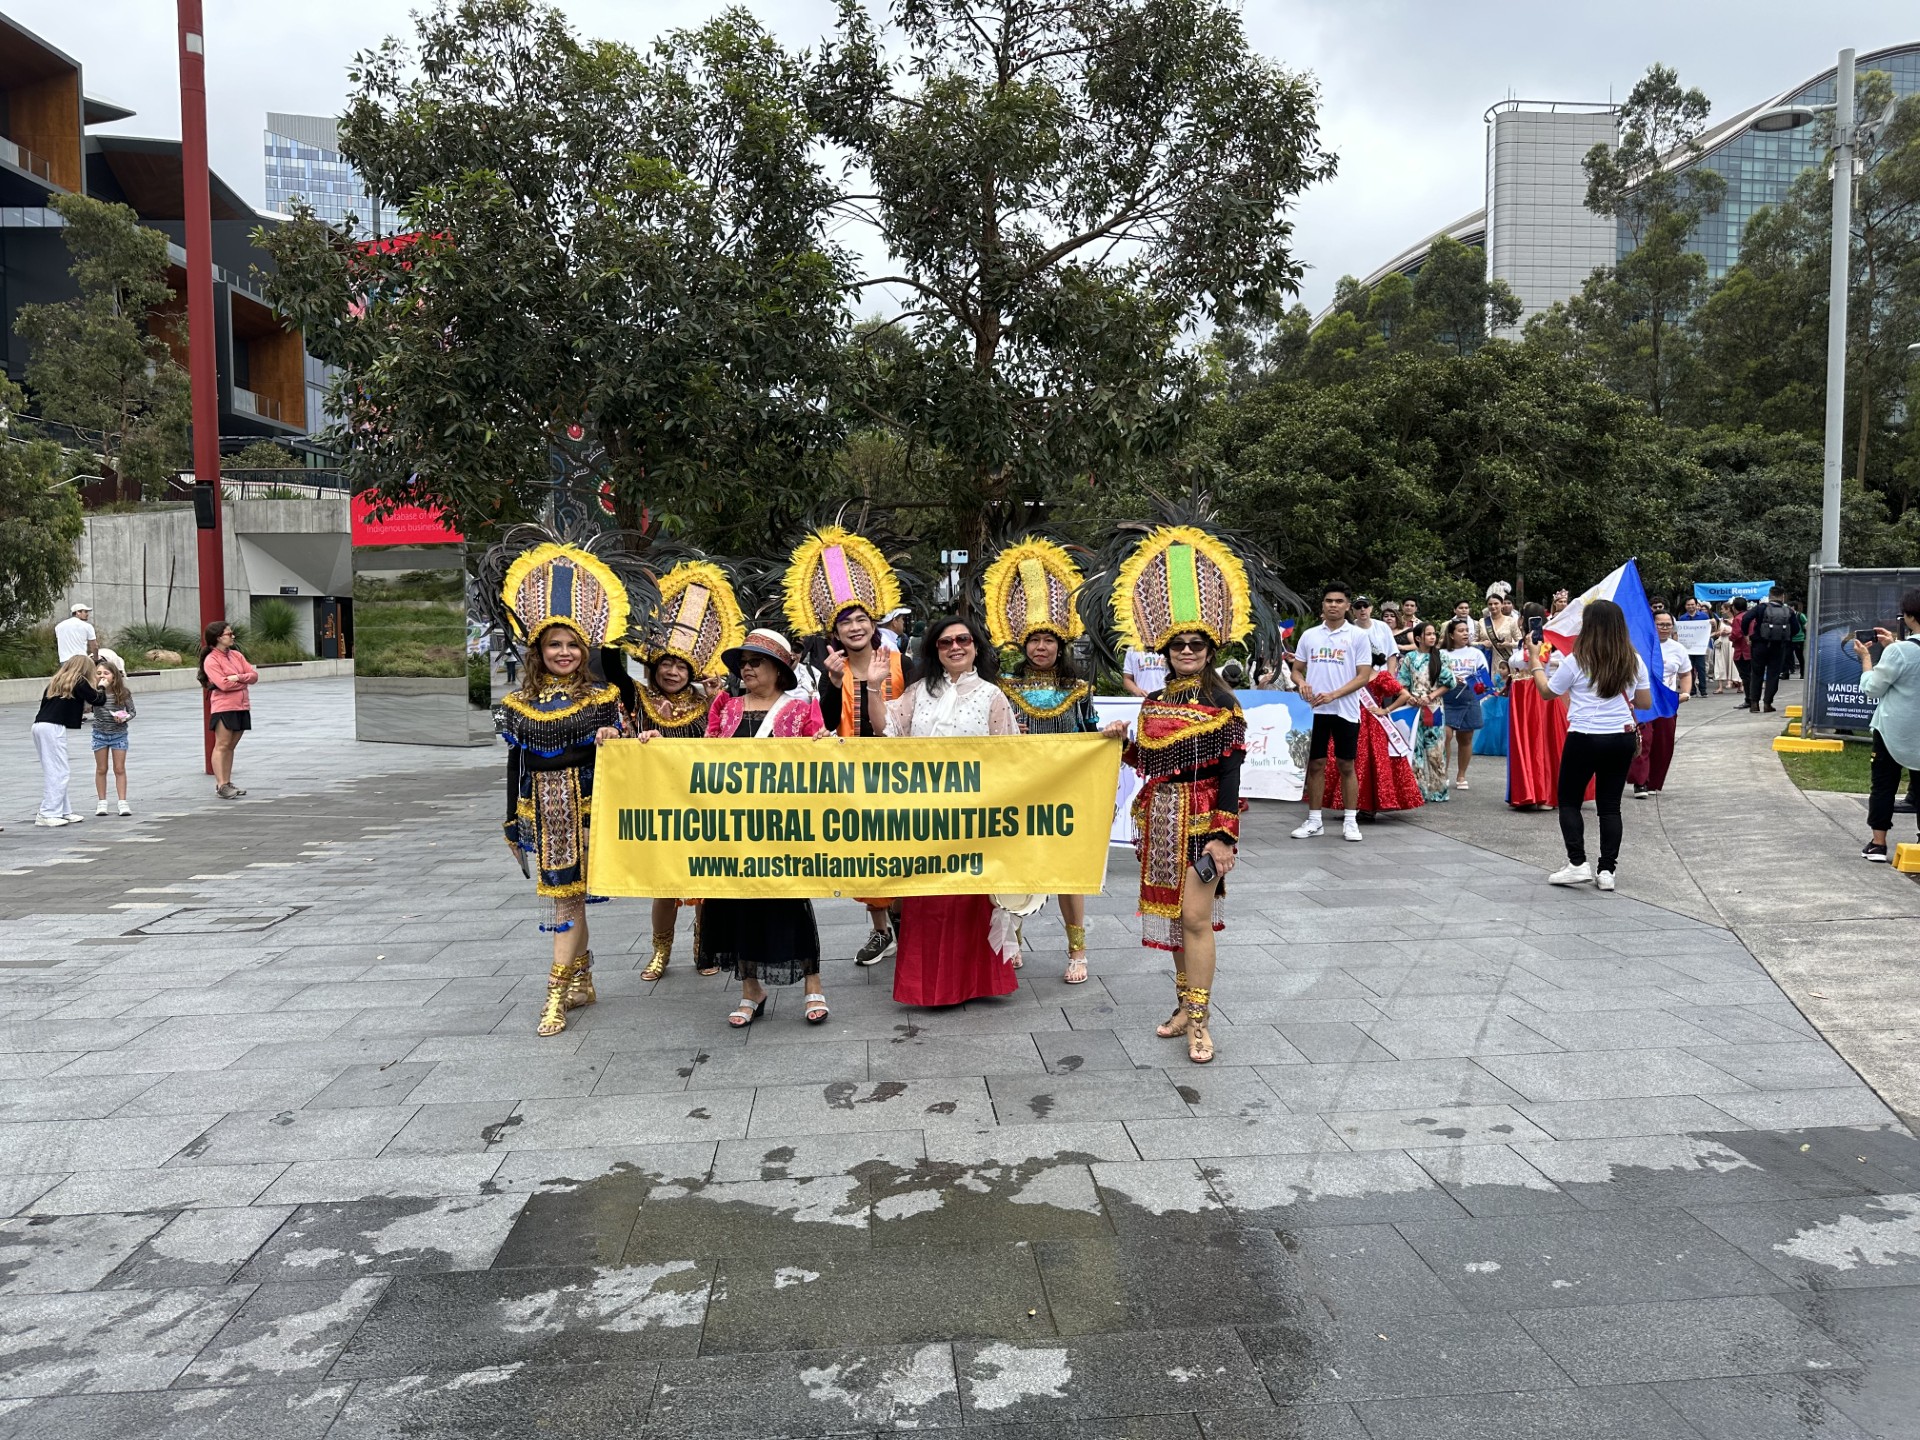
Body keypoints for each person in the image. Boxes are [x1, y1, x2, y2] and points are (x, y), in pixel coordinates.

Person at [1112, 524, 1252, 1066]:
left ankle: (1200, 1021)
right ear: (1165, 651)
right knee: (1173, 921)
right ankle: (1180, 1005)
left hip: (1201, 821)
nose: (1187, 650)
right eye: (1178, 644)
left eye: (1196, 644)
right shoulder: (1151, 705)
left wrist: (1223, 837)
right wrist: (1120, 747)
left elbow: (1232, 773)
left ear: (1210, 648)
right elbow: (1150, 765)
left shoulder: (1224, 703)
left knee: (1194, 919)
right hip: (1161, 820)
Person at [490, 540, 634, 1037]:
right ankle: (582, 979)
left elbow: (631, 756)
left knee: (568, 901)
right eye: (555, 645)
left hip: (590, 809)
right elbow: (517, 762)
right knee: (567, 899)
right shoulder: (515, 703)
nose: (565, 653)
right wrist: (511, 820)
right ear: (539, 651)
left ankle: (555, 994)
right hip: (546, 814)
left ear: (586, 649)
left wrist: (615, 738)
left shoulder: (604, 697)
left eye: (573, 645)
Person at [984, 537, 1130, 984]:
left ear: (1060, 644)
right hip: (1019, 792)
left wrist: (1108, 738)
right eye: (1034, 640)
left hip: (1066, 793)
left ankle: (1077, 949)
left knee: (1069, 873)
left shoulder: (1079, 690)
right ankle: (1014, 941)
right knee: (1015, 867)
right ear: (1022, 646)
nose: (1041, 648)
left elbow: (1090, 735)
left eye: (1048, 640)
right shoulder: (1004, 690)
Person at [785, 524, 909, 966]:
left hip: (904, 772)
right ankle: (882, 930)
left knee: (906, 848)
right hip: (854, 775)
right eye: (845, 621)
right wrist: (835, 684)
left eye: (861, 619)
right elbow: (824, 723)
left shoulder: (902, 663)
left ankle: (905, 922)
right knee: (865, 853)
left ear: (873, 623)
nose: (855, 626)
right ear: (834, 632)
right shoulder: (829, 672)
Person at [887, 615, 1024, 1007]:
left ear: (976, 646)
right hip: (924, 817)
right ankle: (928, 987)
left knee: (968, 900)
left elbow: (1010, 757)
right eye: (945, 643)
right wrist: (870, 686)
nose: (955, 647)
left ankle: (974, 983)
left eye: (963, 639)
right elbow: (888, 735)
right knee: (929, 900)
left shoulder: (992, 696)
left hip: (973, 817)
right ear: (935, 651)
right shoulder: (917, 693)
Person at [697, 629, 829, 1024]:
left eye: (755, 661)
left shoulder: (802, 708)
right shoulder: (726, 705)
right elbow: (701, 755)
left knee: (790, 901)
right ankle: (750, 988)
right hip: (734, 826)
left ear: (777, 669)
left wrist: (822, 743)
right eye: (743, 662)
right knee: (738, 903)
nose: (746, 668)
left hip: (781, 825)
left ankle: (813, 985)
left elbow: (818, 760)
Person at [630, 559, 742, 981]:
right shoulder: (636, 699)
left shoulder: (706, 703)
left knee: (706, 884)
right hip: (657, 805)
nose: (674, 671)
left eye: (682, 666)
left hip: (701, 804)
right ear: (654, 667)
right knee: (664, 887)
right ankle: (660, 952)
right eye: (666, 664)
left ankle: (704, 947)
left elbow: (727, 744)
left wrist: (720, 698)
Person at [1514, 597, 1651, 891]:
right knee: (1610, 806)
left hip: (1584, 738)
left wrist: (1535, 658)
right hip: (1621, 738)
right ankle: (1607, 871)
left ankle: (1577, 863)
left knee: (1569, 800)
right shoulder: (1634, 660)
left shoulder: (1576, 659)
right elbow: (1644, 702)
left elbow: (1548, 693)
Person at [1290, 583, 1375, 841]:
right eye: (1329, 601)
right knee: (1315, 764)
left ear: (1348, 605)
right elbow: (1296, 669)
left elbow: (1363, 676)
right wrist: (1301, 682)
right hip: (1314, 710)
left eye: (1339, 601)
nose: (1333, 605)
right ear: (1323, 605)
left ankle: (1351, 820)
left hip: (1345, 710)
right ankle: (1314, 820)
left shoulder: (1358, 636)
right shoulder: (1310, 635)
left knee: (1346, 764)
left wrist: (1334, 694)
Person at [1856, 588, 1920, 862]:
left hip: (1894, 729)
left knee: (1883, 785)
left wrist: (1867, 659)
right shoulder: (1900, 650)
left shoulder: (1901, 652)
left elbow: (1872, 688)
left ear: (1909, 615)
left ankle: (1878, 844)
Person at [1319, 665, 1425, 818]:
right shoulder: (1350, 675)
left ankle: (1367, 808)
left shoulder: (1381, 676)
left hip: (1373, 725)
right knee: (1350, 763)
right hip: (1350, 719)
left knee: (1369, 764)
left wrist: (1385, 710)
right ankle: (1355, 805)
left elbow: (1404, 694)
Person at [31, 655, 102, 827]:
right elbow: (98, 700)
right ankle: (47, 812)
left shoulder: (57, 681)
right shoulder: (79, 681)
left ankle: (63, 810)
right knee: (59, 771)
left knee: (56, 768)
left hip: (40, 725)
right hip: (53, 727)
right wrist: (102, 686)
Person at [1630, 611, 1693, 798]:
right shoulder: (1640, 646)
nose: (1665, 628)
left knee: (1664, 743)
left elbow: (1686, 673)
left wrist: (1685, 693)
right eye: (1660, 624)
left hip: (1666, 703)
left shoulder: (1678, 649)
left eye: (1668, 624)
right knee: (1644, 739)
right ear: (1653, 625)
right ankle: (1640, 782)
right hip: (1645, 701)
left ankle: (1653, 781)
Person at [198, 620, 258, 799]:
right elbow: (222, 685)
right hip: (224, 707)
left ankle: (227, 781)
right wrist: (242, 683)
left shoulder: (237, 655)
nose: (233, 637)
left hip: (241, 706)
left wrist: (237, 677)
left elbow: (253, 676)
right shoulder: (211, 659)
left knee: (231, 746)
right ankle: (221, 784)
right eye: (229, 634)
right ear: (218, 638)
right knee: (222, 745)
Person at [1394, 621, 1452, 802]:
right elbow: (1401, 682)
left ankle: (1438, 790)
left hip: (1433, 707)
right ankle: (1417, 790)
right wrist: (1408, 696)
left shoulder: (1441, 656)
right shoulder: (1410, 657)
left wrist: (1430, 696)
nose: (1432, 637)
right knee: (1414, 748)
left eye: (1434, 634)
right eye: (1428, 634)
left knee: (1435, 749)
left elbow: (1449, 683)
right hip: (1413, 708)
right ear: (1418, 638)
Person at [1439, 617, 1489, 791]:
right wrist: (1451, 678)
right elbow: (1435, 674)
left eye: (1466, 630)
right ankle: (1442, 772)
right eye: (1460, 631)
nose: (1465, 634)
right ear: (1451, 635)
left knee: (1465, 738)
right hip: (1447, 696)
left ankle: (1461, 775)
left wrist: (1472, 681)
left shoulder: (1476, 653)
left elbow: (1484, 678)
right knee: (1446, 735)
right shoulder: (1442, 653)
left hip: (1468, 696)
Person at [90, 655, 137, 816]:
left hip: (119, 734)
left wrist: (124, 718)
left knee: (119, 768)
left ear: (114, 676)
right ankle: (102, 802)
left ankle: (122, 802)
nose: (102, 676)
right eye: (99, 673)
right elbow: (87, 706)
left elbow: (132, 711)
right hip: (99, 734)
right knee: (101, 768)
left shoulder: (123, 693)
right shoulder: (95, 693)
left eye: (106, 673)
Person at [1745, 586, 1795, 713]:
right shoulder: (1788, 610)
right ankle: (1768, 703)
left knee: (1756, 674)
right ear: (1782, 596)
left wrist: (1747, 635)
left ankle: (1754, 704)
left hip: (1759, 645)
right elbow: (1796, 629)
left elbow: (1746, 619)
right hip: (1778, 647)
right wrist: (1784, 638)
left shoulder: (1761, 608)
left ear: (1770, 595)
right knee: (1773, 675)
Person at [1351, 596, 1397, 665]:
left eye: (1365, 606)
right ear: (1353, 610)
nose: (1362, 609)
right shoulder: (1349, 629)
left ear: (1371, 608)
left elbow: (1392, 653)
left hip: (1382, 673)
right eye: (1358, 607)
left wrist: (1390, 675)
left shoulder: (1383, 626)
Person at [1728, 597, 1754, 698]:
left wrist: (1730, 637)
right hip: (1751, 649)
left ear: (1734, 607)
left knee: (1745, 676)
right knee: (1751, 675)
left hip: (1741, 651)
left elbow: (1736, 634)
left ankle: (1749, 698)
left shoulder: (1738, 618)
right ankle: (1753, 698)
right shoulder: (1751, 616)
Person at [1710, 604, 1737, 694]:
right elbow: (1716, 632)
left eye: (1722, 609)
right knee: (1720, 664)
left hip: (1731, 644)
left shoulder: (1736, 620)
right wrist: (1720, 633)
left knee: (1733, 664)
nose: (1721, 611)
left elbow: (1740, 631)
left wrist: (1730, 632)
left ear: (1728, 609)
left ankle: (1739, 685)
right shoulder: (1720, 620)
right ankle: (1720, 687)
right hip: (1722, 644)